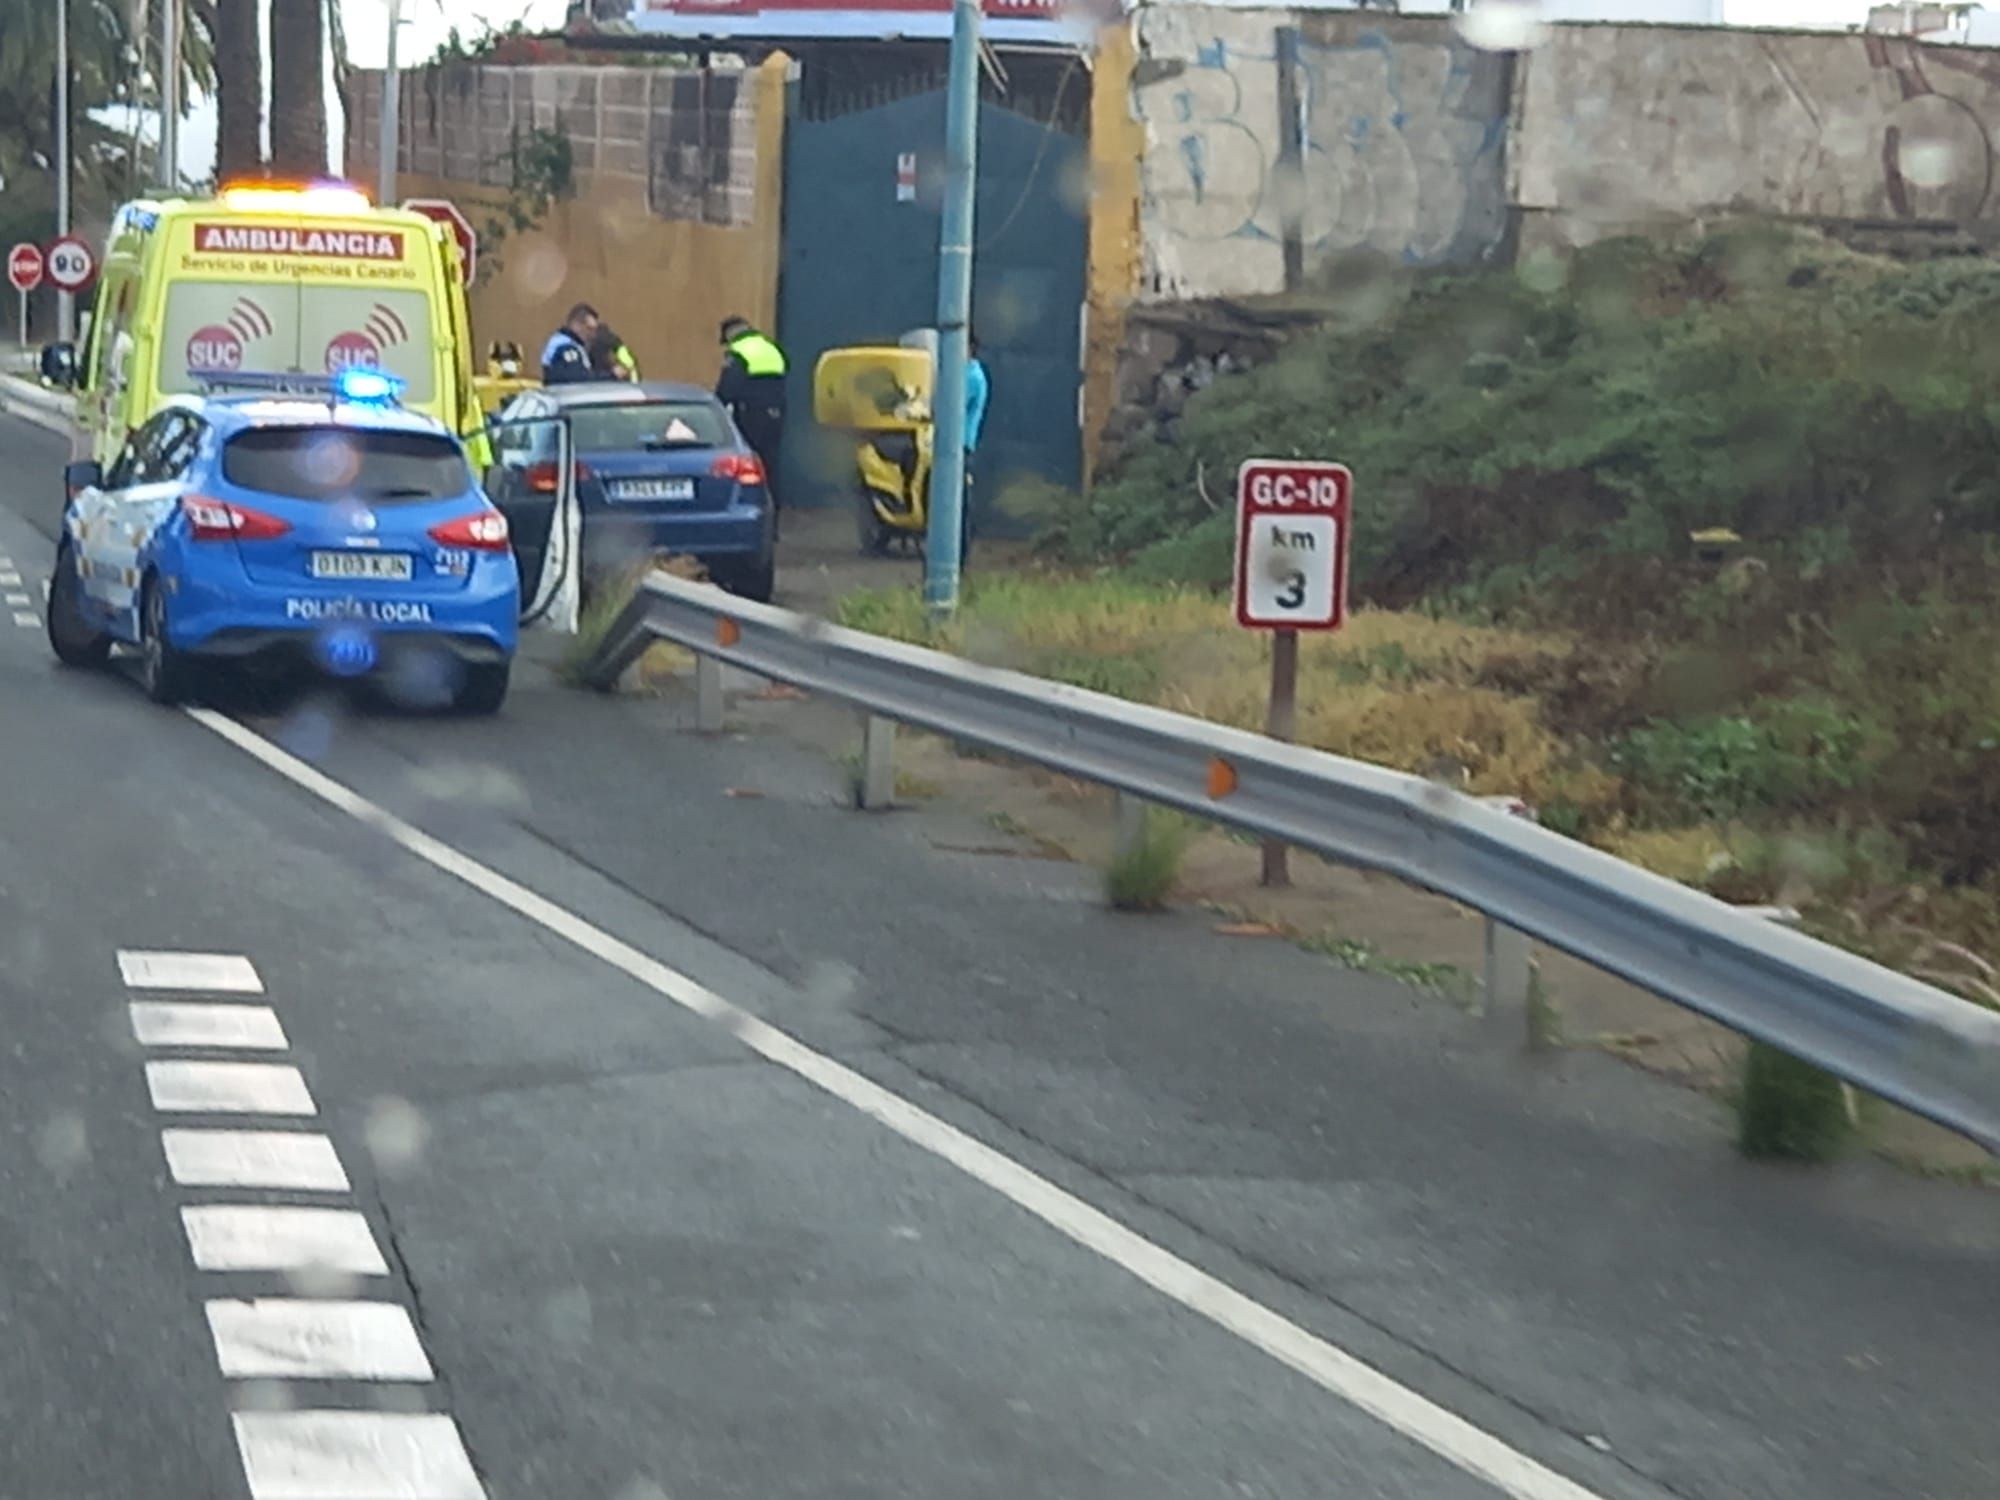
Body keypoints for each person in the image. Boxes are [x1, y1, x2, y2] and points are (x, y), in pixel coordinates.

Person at [716, 315, 788, 502]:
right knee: (770, 461)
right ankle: (773, 504)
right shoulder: (771, 348)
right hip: (776, 412)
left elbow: (728, 388)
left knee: (749, 459)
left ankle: (751, 502)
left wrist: (719, 407)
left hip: (750, 413)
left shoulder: (739, 351)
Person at [540, 303, 600, 385]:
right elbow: (578, 378)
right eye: (589, 329)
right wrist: (611, 375)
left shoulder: (571, 344)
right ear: (576, 325)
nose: (592, 335)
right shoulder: (565, 346)